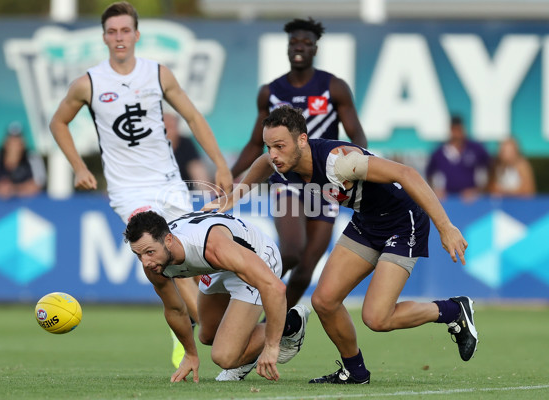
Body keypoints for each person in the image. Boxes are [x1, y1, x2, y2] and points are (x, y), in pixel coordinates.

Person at [209, 106, 479, 384]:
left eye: (280, 146)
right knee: (324, 301)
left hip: (403, 221)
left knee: (377, 318)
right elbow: (262, 164)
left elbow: (407, 174)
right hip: (367, 221)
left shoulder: (339, 162)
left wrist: (445, 227)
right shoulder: (281, 161)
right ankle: (355, 371)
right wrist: (230, 199)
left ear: (302, 140)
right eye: (270, 146)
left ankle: (453, 311)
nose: (274, 154)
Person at [49, 1, 233, 369]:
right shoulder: (89, 83)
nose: (119, 38)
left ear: (136, 35)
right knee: (161, 254)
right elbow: (58, 122)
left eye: (125, 31)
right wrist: (78, 167)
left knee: (191, 258)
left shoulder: (157, 74)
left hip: (168, 182)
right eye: (112, 31)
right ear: (104, 36)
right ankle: (215, 338)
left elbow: (193, 117)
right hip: (127, 190)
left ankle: (209, 328)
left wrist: (221, 164)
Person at [230, 18, 368, 310]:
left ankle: (273, 328)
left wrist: (354, 168)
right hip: (286, 180)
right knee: (291, 252)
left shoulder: (334, 87)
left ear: (316, 48)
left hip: (326, 185)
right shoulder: (270, 92)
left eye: (306, 43)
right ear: (287, 47)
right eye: (294, 42)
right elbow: (256, 144)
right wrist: (228, 173)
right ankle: (242, 296)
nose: (299, 47)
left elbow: (357, 135)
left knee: (305, 270)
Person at [123, 209, 310, 382]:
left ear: (169, 240)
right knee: (207, 336)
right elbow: (175, 309)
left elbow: (274, 287)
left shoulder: (212, 247)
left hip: (256, 256)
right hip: (217, 267)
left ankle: (291, 325)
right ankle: (245, 344)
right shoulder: (154, 264)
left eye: (149, 252)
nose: (145, 262)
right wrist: (190, 354)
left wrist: (271, 346)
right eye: (138, 255)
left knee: (224, 357)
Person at [426, 115, 490, 201]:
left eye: (459, 130)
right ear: (450, 130)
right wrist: (435, 190)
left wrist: (478, 190)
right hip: (448, 198)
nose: (457, 134)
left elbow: (490, 169)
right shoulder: (440, 152)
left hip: (470, 199)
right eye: (454, 130)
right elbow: (429, 173)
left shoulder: (476, 149)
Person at [0, 122, 46, 199]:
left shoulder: (33, 158)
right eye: (11, 141)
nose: (14, 146)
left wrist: (12, 189)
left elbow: (38, 185)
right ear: (5, 143)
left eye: (17, 141)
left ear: (23, 144)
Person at [164, 112, 212, 186]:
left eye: (171, 127)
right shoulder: (150, 147)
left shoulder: (185, 143)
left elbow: (197, 170)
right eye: (166, 127)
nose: (168, 132)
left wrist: (205, 193)